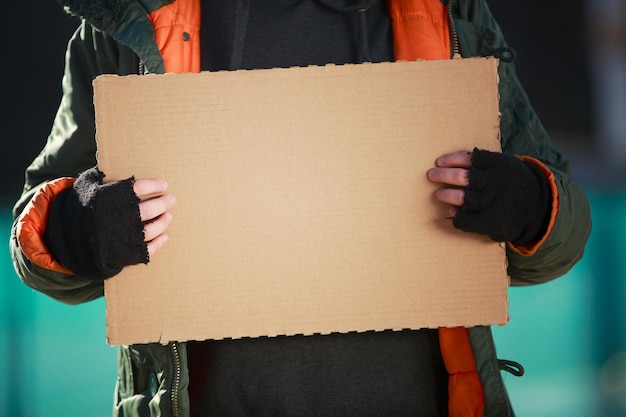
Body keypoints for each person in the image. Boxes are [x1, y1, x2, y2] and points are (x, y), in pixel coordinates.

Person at [10, 0, 591, 416]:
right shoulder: (130, 15)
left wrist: (528, 203)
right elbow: (34, 236)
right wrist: (74, 227)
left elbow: (563, 233)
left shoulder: (448, 12)